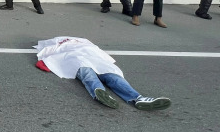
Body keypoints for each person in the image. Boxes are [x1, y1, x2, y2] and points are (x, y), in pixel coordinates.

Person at [34, 36, 171, 111]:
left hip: (94, 58)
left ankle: (138, 98)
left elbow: (95, 49)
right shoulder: (55, 45)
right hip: (77, 58)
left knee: (112, 76)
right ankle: (100, 93)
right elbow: (46, 54)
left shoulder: (84, 42)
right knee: (88, 73)